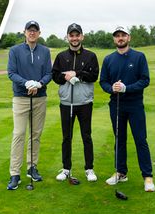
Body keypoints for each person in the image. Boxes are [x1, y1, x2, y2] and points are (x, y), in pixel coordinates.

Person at [100, 26, 155, 192]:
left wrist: (126, 88)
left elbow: (145, 80)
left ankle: (148, 177)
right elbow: (103, 82)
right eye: (117, 36)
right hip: (116, 105)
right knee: (120, 139)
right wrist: (113, 88)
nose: (120, 38)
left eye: (123, 35)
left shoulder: (139, 57)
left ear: (128, 37)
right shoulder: (109, 59)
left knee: (140, 140)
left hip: (135, 105)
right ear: (114, 39)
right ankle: (121, 172)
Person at [7, 20, 52, 190]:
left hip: (40, 97)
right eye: (29, 30)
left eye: (35, 30)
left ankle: (32, 167)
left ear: (39, 33)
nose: (32, 33)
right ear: (24, 32)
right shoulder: (15, 51)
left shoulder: (45, 51)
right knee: (19, 134)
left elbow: (49, 73)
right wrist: (27, 83)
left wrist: (39, 84)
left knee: (35, 134)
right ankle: (15, 174)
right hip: (21, 97)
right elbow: (11, 73)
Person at [52, 23, 99, 182]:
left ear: (82, 36)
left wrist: (77, 74)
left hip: (85, 102)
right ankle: (66, 169)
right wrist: (65, 77)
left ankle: (89, 169)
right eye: (71, 35)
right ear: (68, 37)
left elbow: (94, 76)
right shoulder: (61, 56)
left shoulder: (90, 56)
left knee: (87, 135)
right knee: (67, 137)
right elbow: (55, 77)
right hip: (66, 103)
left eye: (77, 35)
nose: (74, 38)